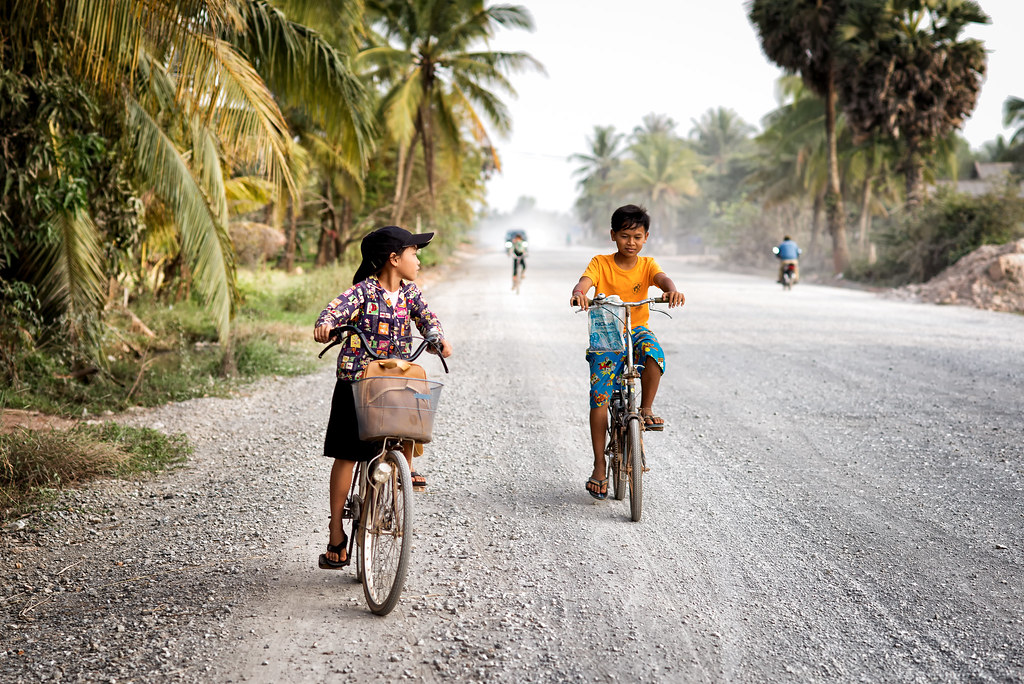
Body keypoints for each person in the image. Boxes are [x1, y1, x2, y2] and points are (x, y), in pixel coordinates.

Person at [313, 225, 453, 569]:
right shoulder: (362, 292)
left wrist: (436, 338)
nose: (418, 260)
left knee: (414, 395)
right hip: (358, 380)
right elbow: (334, 310)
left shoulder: (411, 293)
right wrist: (326, 325)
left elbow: (428, 319)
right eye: (413, 253)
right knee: (347, 455)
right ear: (394, 258)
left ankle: (404, 465)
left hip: (393, 379)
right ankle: (336, 532)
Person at [568, 204, 685, 500]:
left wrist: (672, 290)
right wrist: (580, 293)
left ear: (646, 237)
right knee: (600, 398)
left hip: (636, 328)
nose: (630, 242)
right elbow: (585, 282)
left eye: (636, 236)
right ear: (613, 236)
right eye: (624, 236)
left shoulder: (647, 264)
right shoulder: (601, 262)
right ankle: (598, 465)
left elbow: (663, 280)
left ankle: (645, 409)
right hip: (607, 334)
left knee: (654, 354)